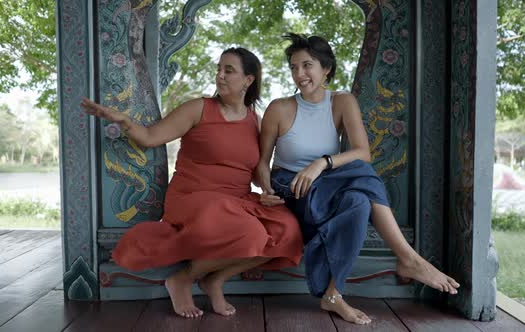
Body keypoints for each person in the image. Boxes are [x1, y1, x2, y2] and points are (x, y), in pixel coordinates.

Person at [80, 47, 303, 318]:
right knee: (253, 234)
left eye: (228, 71)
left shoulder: (255, 122)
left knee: (288, 232)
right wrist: (125, 121)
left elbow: (256, 171)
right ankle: (183, 278)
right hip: (193, 197)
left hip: (237, 200)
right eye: (219, 69)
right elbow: (150, 137)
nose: (220, 75)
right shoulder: (199, 108)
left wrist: (267, 191)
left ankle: (214, 280)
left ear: (248, 80)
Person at [256, 33, 460, 325]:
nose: (299, 74)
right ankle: (409, 259)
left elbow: (362, 152)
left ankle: (333, 294)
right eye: (293, 67)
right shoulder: (279, 108)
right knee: (362, 177)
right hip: (292, 188)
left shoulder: (341, 101)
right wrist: (265, 190)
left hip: (327, 181)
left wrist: (320, 163)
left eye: (307, 65)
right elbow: (262, 164)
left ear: (326, 68)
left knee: (358, 202)